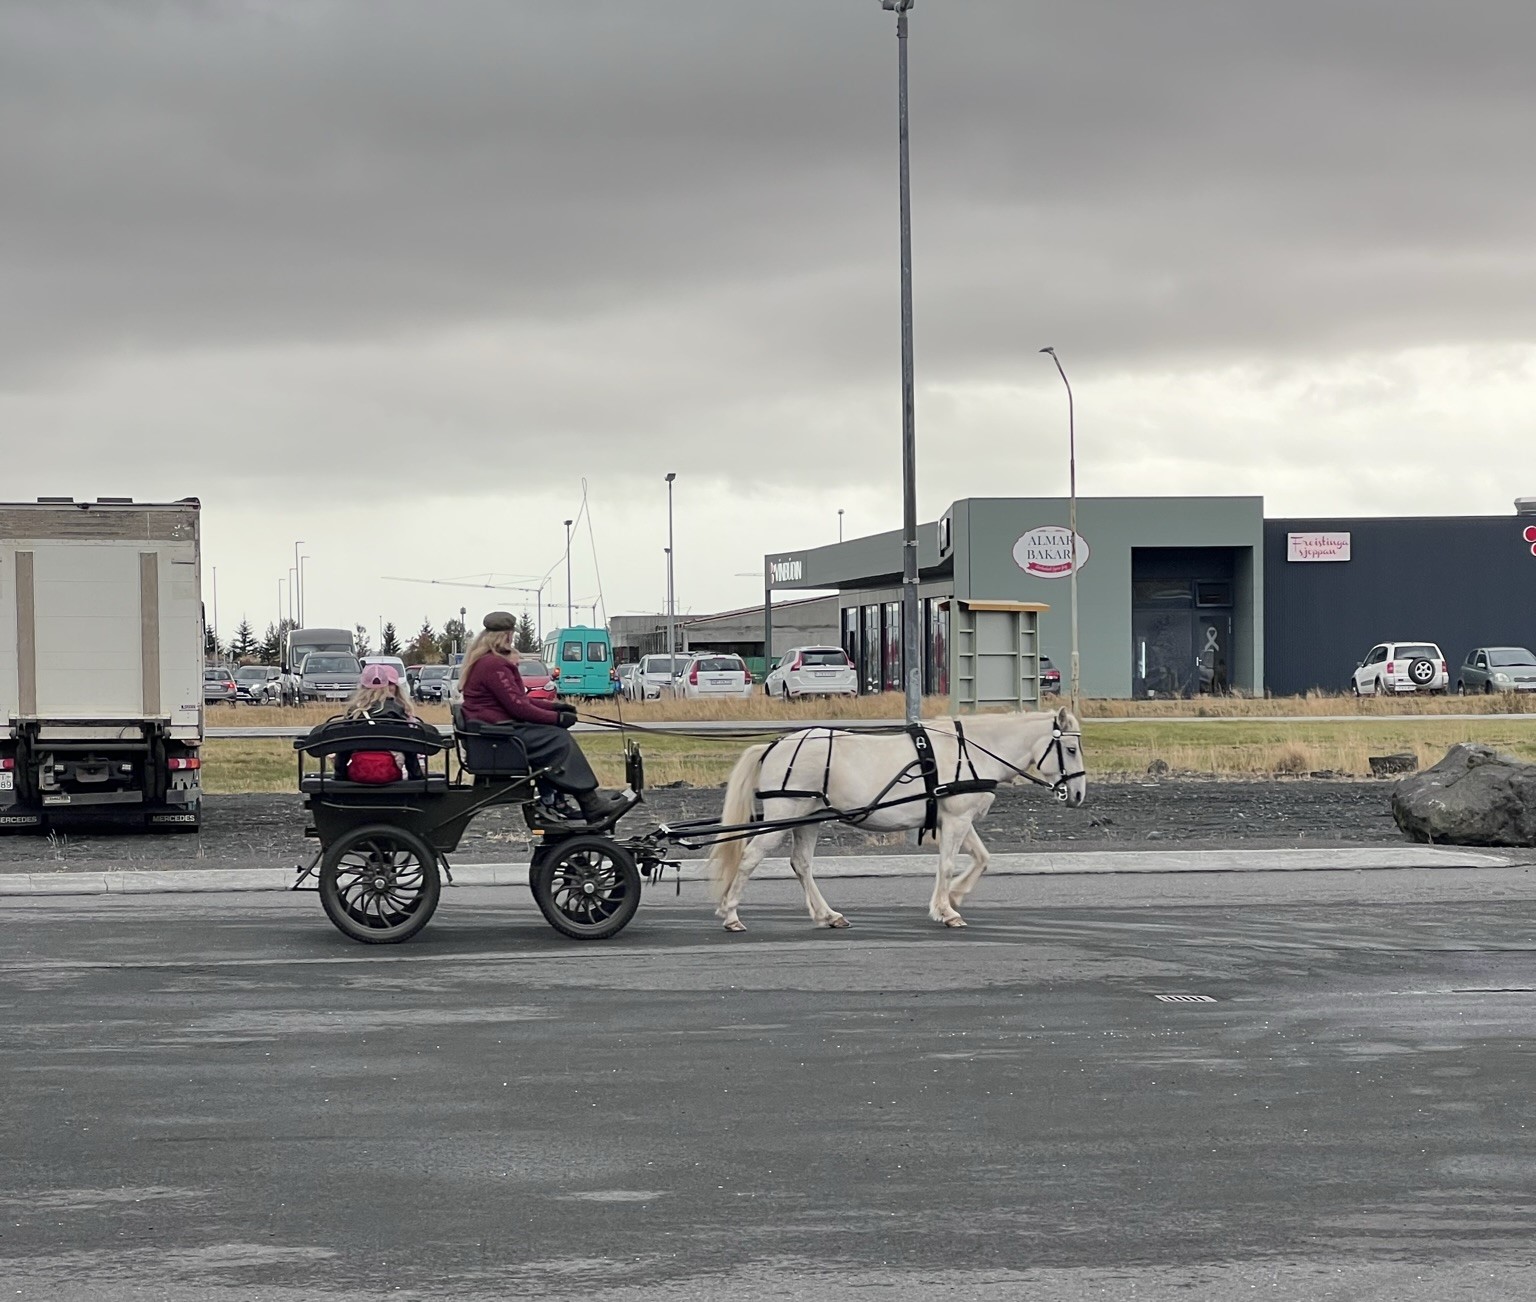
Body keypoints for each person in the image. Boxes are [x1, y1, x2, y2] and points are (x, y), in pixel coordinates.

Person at [458, 612, 633, 823]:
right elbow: (518, 707)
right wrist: (556, 718)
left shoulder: (486, 662)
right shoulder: (493, 665)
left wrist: (556, 707)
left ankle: (557, 801)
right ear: (505, 636)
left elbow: (520, 701)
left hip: (494, 729)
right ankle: (590, 802)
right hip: (497, 733)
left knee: (554, 735)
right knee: (558, 739)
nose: (512, 639)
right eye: (511, 634)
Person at [338, 662, 432, 781]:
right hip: (389, 771)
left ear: (362, 686)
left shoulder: (354, 711)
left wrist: (340, 775)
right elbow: (408, 744)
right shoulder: (396, 709)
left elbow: (343, 746)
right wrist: (416, 776)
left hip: (360, 771)